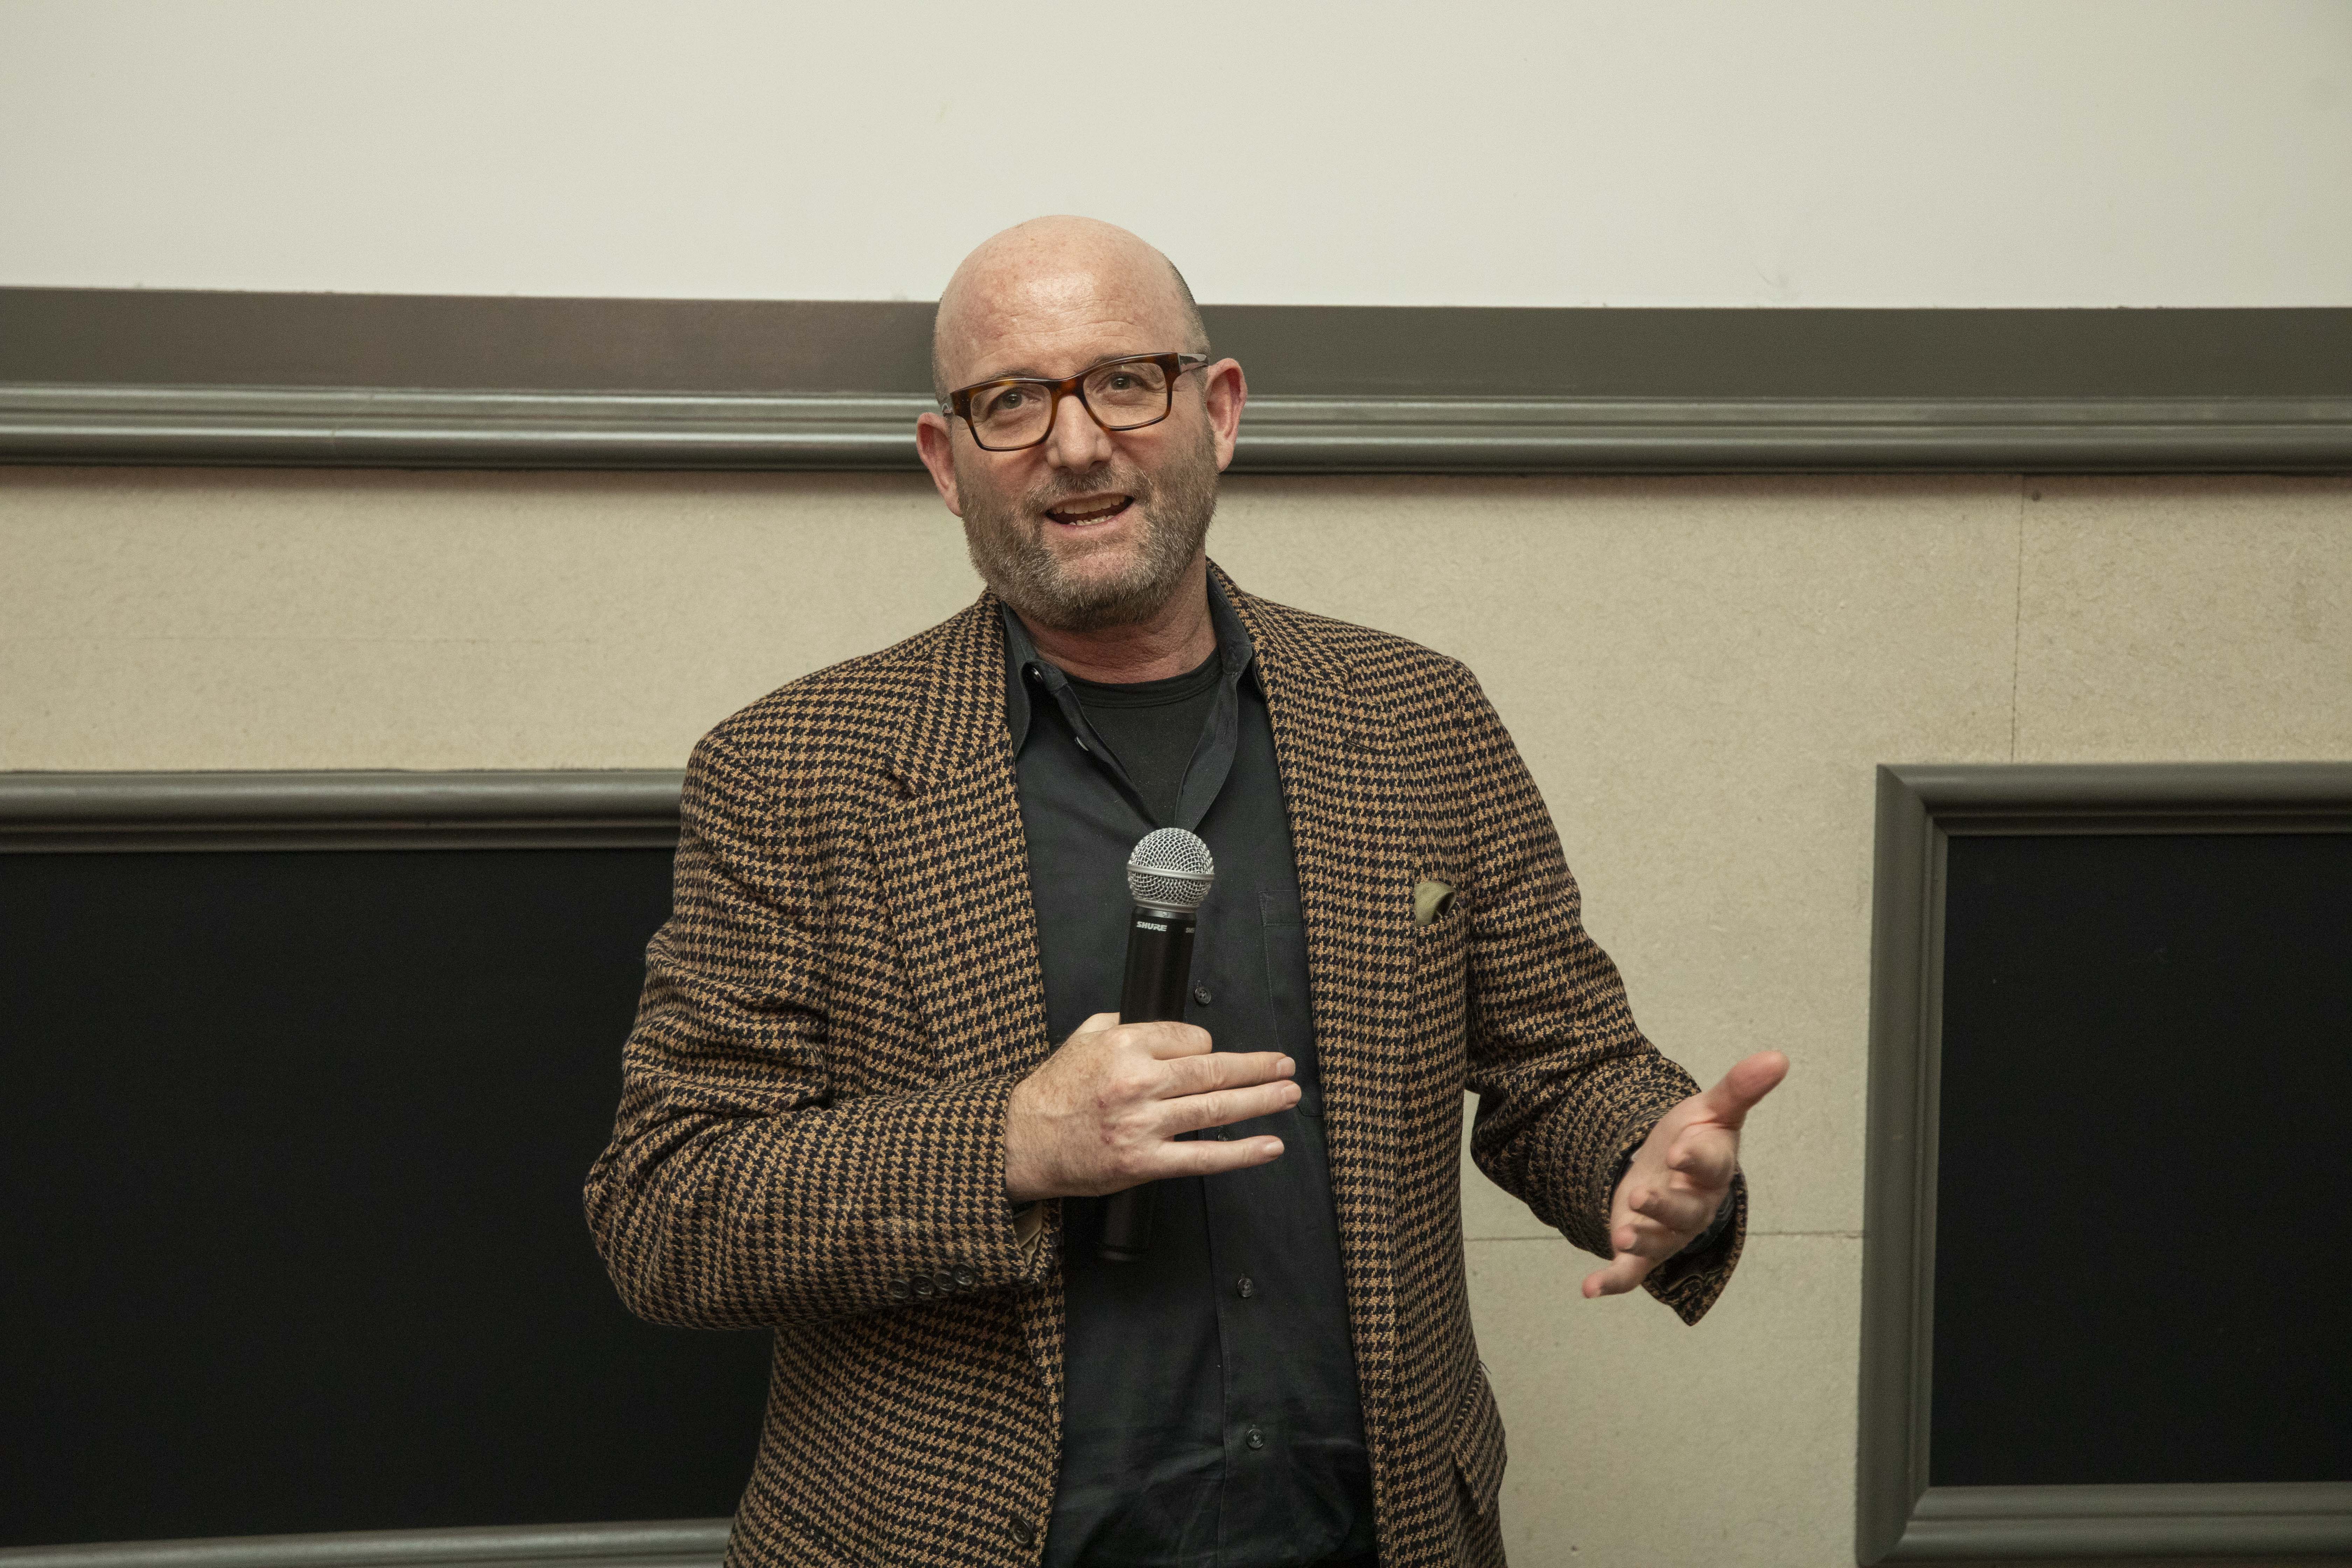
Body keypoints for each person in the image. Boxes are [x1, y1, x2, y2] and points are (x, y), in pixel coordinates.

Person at [586, 216, 1788, 1568]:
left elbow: (1561, 1066)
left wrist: (1641, 1159)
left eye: (1125, 382)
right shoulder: (793, 770)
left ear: (1217, 411)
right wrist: (1012, 1142)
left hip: (1375, 1534)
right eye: (1011, 401)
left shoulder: (1417, 719)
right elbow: (667, 1207)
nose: (1076, 443)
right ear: (943, 461)